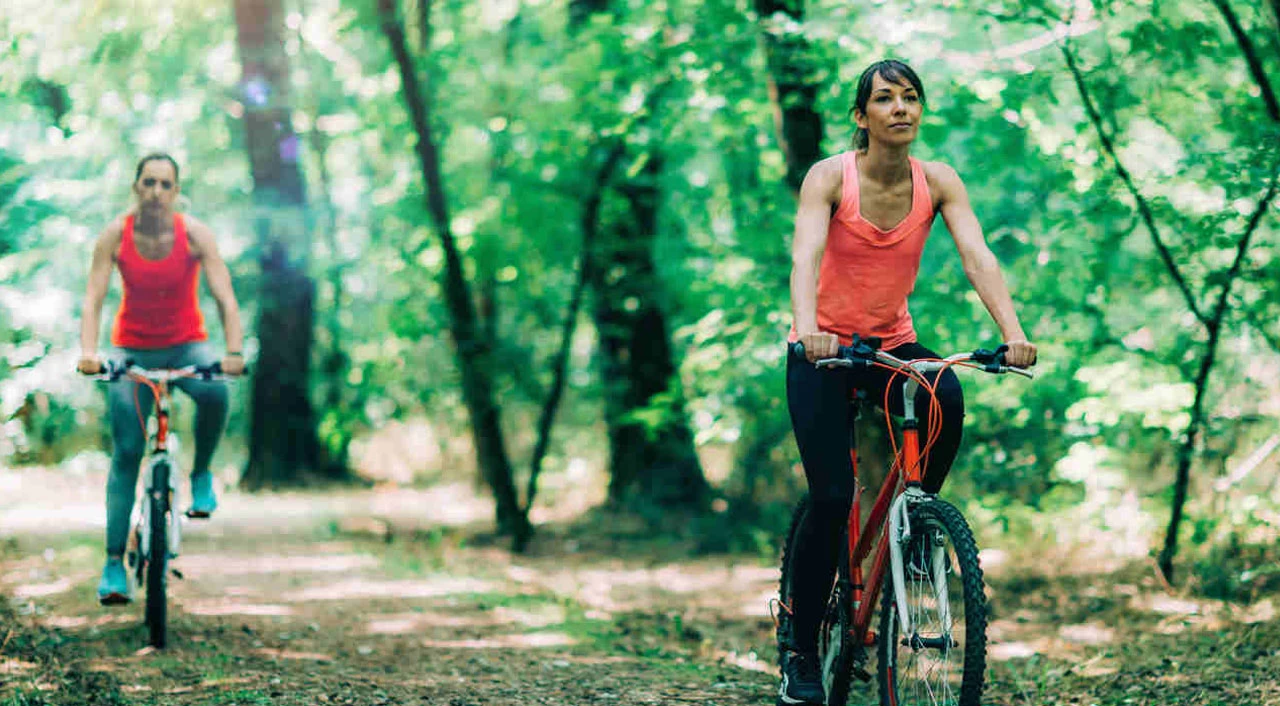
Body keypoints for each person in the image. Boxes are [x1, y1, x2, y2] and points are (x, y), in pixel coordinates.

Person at [777, 60, 1038, 705]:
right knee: (833, 496)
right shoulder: (829, 177)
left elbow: (977, 255)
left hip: (891, 344)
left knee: (946, 393)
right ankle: (799, 645)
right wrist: (809, 329)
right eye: (885, 99)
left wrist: (1012, 331)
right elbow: (806, 253)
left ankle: (912, 525)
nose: (901, 108)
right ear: (861, 116)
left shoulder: (940, 182)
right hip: (824, 350)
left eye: (911, 97)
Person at [77, 153, 246, 605]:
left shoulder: (194, 234)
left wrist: (232, 353)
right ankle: (114, 563)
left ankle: (203, 472)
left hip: (187, 344)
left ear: (176, 191)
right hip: (130, 350)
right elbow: (93, 298)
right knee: (129, 450)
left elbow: (226, 298)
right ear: (136, 187)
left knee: (213, 392)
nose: (155, 191)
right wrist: (89, 353)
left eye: (165, 184)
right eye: (148, 182)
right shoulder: (116, 234)